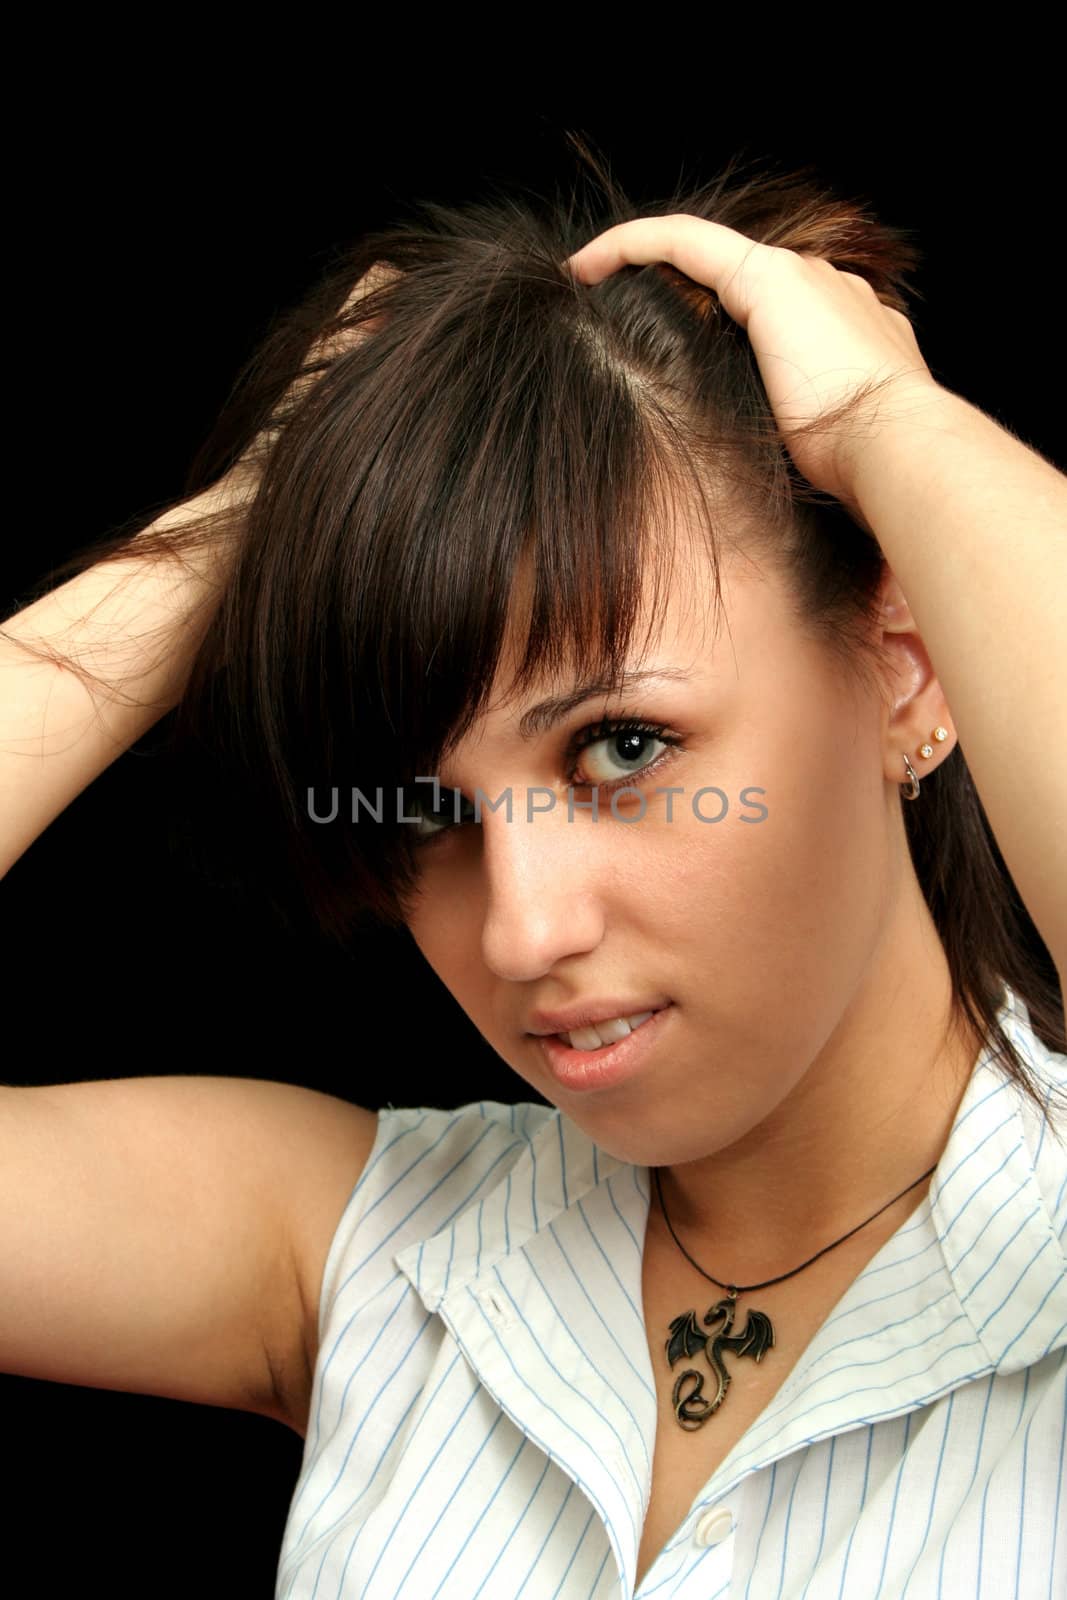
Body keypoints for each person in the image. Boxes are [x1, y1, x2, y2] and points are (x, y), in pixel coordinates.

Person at [2, 138, 1065, 1597]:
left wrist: (895, 426)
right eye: (430, 812)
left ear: (907, 669)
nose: (519, 931)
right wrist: (250, 525)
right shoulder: (372, 1256)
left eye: (624, 748)